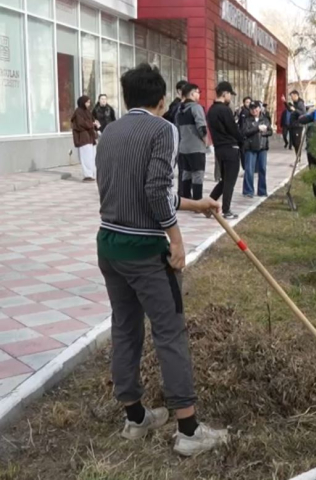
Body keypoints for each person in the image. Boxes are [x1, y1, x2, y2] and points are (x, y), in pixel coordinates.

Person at [95, 63, 227, 457]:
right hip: (145, 251)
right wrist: (176, 238)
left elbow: (145, 193)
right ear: (161, 99)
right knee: (169, 332)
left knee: (125, 328)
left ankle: (135, 418)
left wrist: (196, 204)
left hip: (109, 244)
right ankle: (189, 430)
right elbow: (155, 190)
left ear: (126, 98)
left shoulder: (109, 133)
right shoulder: (163, 129)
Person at [208, 81, 244, 219]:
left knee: (224, 180)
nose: (231, 98)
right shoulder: (224, 110)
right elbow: (233, 129)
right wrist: (242, 139)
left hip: (219, 149)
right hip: (230, 148)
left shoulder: (211, 110)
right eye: (230, 94)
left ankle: (209, 204)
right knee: (230, 181)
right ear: (225, 94)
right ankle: (226, 210)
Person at [176, 83, 209, 201]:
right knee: (198, 174)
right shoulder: (196, 107)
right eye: (197, 92)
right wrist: (206, 142)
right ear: (192, 93)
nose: (199, 94)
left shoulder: (179, 109)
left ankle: (185, 199)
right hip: (196, 147)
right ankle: (197, 201)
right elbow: (202, 128)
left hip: (183, 147)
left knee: (186, 173)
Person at [241, 102, 273, 198]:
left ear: (259, 109)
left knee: (262, 169)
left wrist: (264, 132)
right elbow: (245, 132)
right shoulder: (247, 120)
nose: (254, 110)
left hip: (262, 147)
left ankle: (262, 191)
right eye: (252, 109)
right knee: (249, 170)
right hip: (250, 147)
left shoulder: (265, 119)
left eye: (256, 108)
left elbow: (270, 131)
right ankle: (248, 191)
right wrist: (257, 129)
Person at [72, 95, 99, 182]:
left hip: (90, 137)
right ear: (82, 102)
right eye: (87, 102)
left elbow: (91, 120)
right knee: (86, 156)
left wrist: (95, 124)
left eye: (89, 102)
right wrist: (92, 124)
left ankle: (93, 174)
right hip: (83, 137)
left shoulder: (87, 112)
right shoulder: (78, 112)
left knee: (92, 156)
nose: (88, 104)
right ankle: (88, 175)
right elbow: (80, 124)